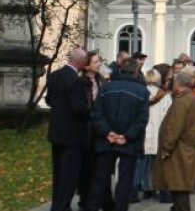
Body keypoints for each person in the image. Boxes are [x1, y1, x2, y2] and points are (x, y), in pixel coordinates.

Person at [87, 59, 149, 211]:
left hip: (106, 139)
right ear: (135, 73)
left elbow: (96, 114)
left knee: (100, 179)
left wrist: (107, 132)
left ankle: (92, 207)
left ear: (120, 70)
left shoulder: (106, 88)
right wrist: (126, 136)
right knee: (125, 180)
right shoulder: (142, 92)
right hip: (128, 141)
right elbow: (142, 119)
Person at [46, 48, 90, 211]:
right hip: (72, 135)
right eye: (85, 61)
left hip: (56, 133)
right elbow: (78, 108)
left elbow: (49, 100)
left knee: (58, 173)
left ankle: (57, 204)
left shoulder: (55, 76)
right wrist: (91, 111)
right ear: (80, 62)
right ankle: (62, 206)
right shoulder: (75, 81)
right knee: (69, 174)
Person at [154, 66, 195, 211]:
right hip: (185, 149)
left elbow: (175, 126)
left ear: (178, 84)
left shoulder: (182, 101)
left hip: (180, 151)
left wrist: (166, 148)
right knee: (180, 187)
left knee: (178, 186)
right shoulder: (191, 98)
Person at [77, 51, 112, 211]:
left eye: (99, 61)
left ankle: (105, 202)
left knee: (102, 169)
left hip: (101, 131)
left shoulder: (102, 82)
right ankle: (86, 201)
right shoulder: (81, 83)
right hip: (87, 131)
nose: (99, 64)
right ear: (86, 65)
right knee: (87, 169)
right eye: (96, 62)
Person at [136, 69, 171, 201]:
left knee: (144, 164)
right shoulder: (165, 96)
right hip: (159, 135)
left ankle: (146, 188)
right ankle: (160, 190)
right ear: (158, 79)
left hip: (144, 134)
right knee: (159, 165)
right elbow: (169, 116)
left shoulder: (140, 93)